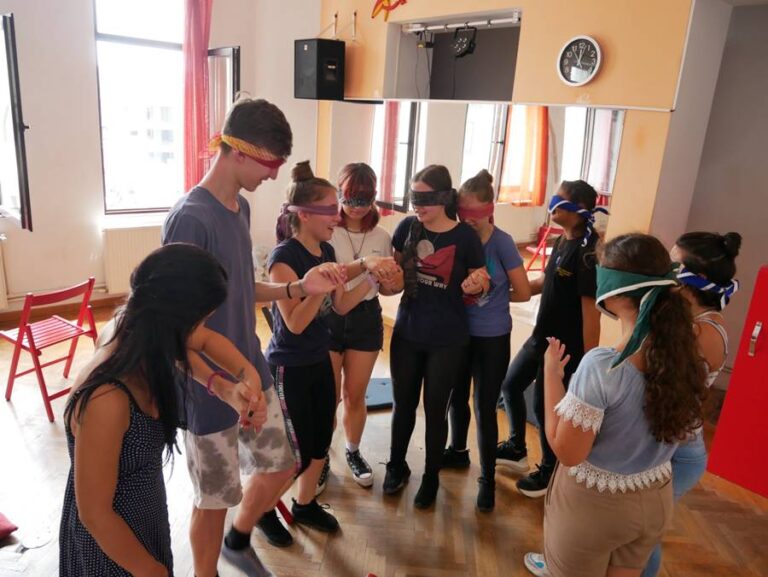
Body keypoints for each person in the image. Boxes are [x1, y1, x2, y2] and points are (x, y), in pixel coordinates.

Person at [162, 98, 343, 577]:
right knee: (214, 498)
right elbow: (175, 329)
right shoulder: (191, 218)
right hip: (208, 384)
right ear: (238, 152)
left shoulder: (239, 207)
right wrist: (218, 384)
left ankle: (238, 540)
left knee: (282, 464)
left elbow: (243, 287)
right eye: (270, 163)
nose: (274, 174)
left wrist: (299, 288)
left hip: (251, 368)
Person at [59, 243, 267, 577]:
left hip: (143, 522)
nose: (202, 330)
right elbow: (95, 514)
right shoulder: (107, 399)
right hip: (111, 549)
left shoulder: (138, 333)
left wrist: (239, 383)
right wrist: (152, 570)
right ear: (173, 321)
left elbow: (204, 342)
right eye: (201, 320)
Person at [524, 233, 707, 577]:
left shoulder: (603, 367)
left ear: (615, 289)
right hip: (654, 500)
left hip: (595, 510)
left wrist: (551, 377)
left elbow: (568, 452)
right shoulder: (686, 358)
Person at [266, 161, 397, 532]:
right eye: (330, 208)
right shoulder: (284, 258)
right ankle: (261, 512)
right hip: (290, 364)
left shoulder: (324, 251)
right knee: (296, 448)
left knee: (320, 441)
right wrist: (315, 288)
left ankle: (304, 505)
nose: (338, 216)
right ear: (305, 215)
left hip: (317, 359)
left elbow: (340, 305)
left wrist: (372, 273)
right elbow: (294, 323)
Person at [384, 164, 489, 509]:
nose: (418, 205)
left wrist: (478, 285)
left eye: (425, 199)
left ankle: (431, 476)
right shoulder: (406, 228)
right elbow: (394, 278)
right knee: (403, 405)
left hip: (448, 339)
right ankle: (396, 465)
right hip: (408, 332)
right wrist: (386, 281)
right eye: (414, 198)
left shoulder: (465, 238)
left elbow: (481, 283)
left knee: (435, 409)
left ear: (445, 198)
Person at [641, 231, 741, 577]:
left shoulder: (702, 332)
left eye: (672, 263)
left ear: (689, 277)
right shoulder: (688, 321)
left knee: (644, 533)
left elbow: (654, 379)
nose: (664, 269)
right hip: (670, 440)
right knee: (638, 529)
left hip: (679, 452)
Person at [498, 180, 604, 497]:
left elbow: (592, 315)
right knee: (510, 385)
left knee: (546, 409)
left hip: (563, 349)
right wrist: (505, 291)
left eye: (559, 199)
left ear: (578, 209)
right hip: (540, 337)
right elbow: (544, 281)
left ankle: (549, 470)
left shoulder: (588, 254)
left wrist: (588, 362)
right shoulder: (561, 242)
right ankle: (517, 446)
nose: (552, 203)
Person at [443, 169, 531, 512]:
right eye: (464, 213)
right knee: (456, 397)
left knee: (484, 406)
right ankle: (457, 451)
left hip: (492, 335)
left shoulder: (502, 243)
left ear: (490, 209)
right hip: (458, 333)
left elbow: (523, 292)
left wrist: (490, 291)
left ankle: (487, 479)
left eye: (476, 214)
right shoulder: (456, 238)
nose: (469, 220)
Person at [326, 162, 397, 489]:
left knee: (355, 395)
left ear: (374, 198)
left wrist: (392, 281)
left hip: (366, 318)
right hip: (329, 316)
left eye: (364, 199)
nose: (356, 206)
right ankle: (320, 457)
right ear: (338, 193)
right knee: (328, 397)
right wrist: (366, 267)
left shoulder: (382, 236)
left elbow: (388, 288)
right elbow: (331, 281)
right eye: (350, 198)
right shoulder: (329, 229)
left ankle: (352, 451)